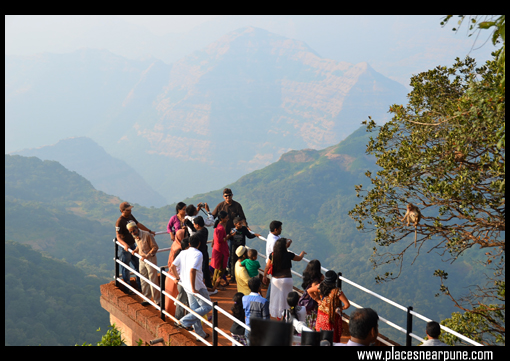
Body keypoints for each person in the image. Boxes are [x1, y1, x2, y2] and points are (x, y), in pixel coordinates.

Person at [170, 234, 212, 340]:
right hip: (197, 286)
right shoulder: (198, 254)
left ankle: (200, 334)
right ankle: (184, 321)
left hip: (186, 285)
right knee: (207, 307)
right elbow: (192, 270)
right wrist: (194, 288)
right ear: (199, 244)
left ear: (189, 244)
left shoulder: (183, 252)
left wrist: (177, 278)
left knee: (195, 309)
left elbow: (172, 266)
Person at [115, 201, 154, 294]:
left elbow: (138, 225)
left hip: (134, 245)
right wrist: (125, 245)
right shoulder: (120, 221)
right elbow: (118, 236)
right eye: (128, 210)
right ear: (122, 211)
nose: (130, 211)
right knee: (126, 268)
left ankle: (140, 286)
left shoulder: (130, 217)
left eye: (130, 209)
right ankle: (128, 289)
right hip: (125, 248)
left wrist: (149, 231)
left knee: (138, 266)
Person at [264, 238, 306, 319]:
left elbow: (267, 267)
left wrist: (265, 276)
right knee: (287, 300)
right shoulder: (288, 254)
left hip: (275, 280)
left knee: (276, 300)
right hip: (287, 280)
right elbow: (299, 258)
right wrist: (302, 253)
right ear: (284, 246)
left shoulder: (272, 255)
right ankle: (287, 317)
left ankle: (279, 318)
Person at [308, 270, 350, 343]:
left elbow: (309, 291)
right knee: (330, 339)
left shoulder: (320, 286)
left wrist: (318, 300)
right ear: (335, 280)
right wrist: (340, 308)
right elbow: (347, 305)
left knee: (320, 336)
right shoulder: (337, 291)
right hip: (331, 317)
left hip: (321, 315)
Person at [128, 221, 160, 307]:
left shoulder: (147, 235)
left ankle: (158, 301)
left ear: (137, 228)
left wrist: (147, 255)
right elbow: (140, 245)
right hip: (141, 260)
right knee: (143, 279)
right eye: (130, 232)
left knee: (153, 280)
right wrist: (136, 250)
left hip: (150, 259)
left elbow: (155, 247)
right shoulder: (135, 236)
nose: (133, 233)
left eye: (133, 231)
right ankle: (146, 298)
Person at [229, 216, 260, 283]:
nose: (241, 225)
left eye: (241, 223)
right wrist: (231, 235)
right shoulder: (232, 230)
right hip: (235, 248)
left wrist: (255, 235)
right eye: (239, 224)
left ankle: (245, 275)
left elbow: (249, 235)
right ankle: (233, 277)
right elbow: (230, 239)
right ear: (235, 224)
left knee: (244, 261)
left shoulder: (244, 229)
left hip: (243, 249)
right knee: (233, 261)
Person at [210, 211, 235, 290]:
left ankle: (215, 283)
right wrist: (229, 236)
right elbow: (220, 240)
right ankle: (216, 285)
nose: (227, 219)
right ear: (222, 219)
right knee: (221, 269)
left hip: (219, 250)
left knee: (218, 268)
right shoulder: (220, 229)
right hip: (221, 251)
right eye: (226, 218)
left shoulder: (218, 227)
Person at [164, 228, 185, 317]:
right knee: (178, 297)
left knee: (170, 297)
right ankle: (176, 315)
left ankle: (169, 312)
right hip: (176, 275)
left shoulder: (175, 243)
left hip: (170, 274)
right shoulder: (179, 248)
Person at [242, 277, 270, 343]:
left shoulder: (244, 299)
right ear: (259, 287)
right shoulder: (264, 301)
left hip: (248, 328)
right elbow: (266, 319)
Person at [193, 216, 215, 293]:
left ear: (197, 225)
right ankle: (209, 286)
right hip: (204, 251)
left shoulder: (197, 235)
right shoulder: (205, 230)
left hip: (200, 253)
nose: (193, 226)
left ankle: (204, 288)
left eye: (194, 224)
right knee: (205, 269)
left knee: (201, 271)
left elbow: (193, 238)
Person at [300, 260, 324, 330]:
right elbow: (315, 291)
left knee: (308, 322)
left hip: (308, 303)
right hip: (313, 305)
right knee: (313, 322)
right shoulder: (316, 280)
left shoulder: (308, 276)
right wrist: (318, 300)